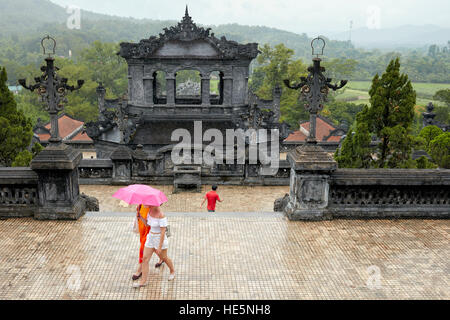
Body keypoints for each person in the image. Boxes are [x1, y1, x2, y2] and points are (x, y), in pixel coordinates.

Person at [133, 205, 175, 287]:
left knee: (164, 257)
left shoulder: (161, 215)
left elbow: (163, 232)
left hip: (159, 239)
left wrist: (159, 247)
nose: (145, 205)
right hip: (150, 237)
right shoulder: (149, 211)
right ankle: (143, 281)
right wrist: (140, 217)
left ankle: (172, 271)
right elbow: (147, 224)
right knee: (145, 259)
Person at [132, 204, 164, 281]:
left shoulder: (152, 206)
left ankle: (139, 270)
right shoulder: (141, 204)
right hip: (142, 227)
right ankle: (162, 258)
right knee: (152, 248)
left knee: (142, 249)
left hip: (149, 230)